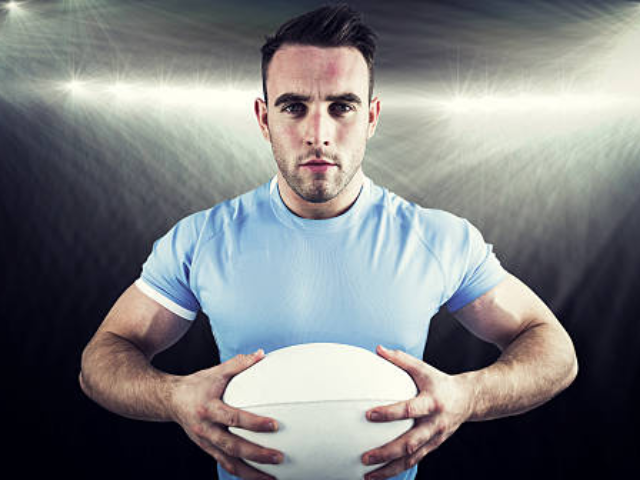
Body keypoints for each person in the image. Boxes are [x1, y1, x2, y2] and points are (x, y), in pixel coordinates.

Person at [79, 4, 578, 480]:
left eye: (342, 106)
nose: (318, 133)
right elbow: (102, 359)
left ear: (372, 117)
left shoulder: (436, 238)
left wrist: (470, 394)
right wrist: (173, 397)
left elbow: (554, 350)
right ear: (263, 117)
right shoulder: (202, 240)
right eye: (294, 106)